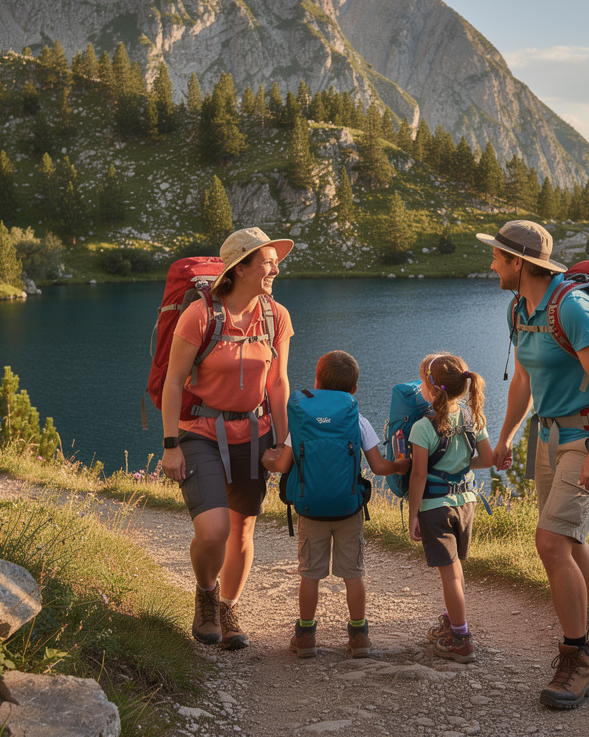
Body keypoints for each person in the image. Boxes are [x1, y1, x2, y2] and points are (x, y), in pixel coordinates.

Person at [477, 220, 589, 709]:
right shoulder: (520, 309)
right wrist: (504, 437)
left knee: (550, 541)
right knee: (567, 538)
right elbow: (523, 378)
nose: (492, 265)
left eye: (498, 258)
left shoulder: (573, 307)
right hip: (549, 435)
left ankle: (577, 660)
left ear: (520, 263)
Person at [160, 227, 293, 651]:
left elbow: (279, 384)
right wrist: (170, 444)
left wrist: (284, 443)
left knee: (242, 531)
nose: (276, 268)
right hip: (199, 432)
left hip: (254, 433)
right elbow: (174, 381)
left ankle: (229, 607)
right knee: (214, 530)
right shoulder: (199, 316)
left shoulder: (277, 316)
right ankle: (205, 593)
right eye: (268, 261)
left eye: (275, 261)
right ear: (240, 267)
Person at [262, 350, 409, 658]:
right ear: (354, 389)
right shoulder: (358, 419)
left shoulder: (302, 417)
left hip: (310, 509)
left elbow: (284, 463)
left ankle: (305, 636)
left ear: (317, 382)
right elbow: (379, 467)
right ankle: (359, 637)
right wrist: (400, 466)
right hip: (348, 508)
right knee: (353, 573)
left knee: (310, 574)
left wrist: (267, 459)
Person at [407, 352, 493, 664]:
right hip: (466, 503)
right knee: (455, 569)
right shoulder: (473, 418)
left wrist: (412, 514)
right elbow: (486, 459)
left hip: (435, 507)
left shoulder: (422, 428)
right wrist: (458, 466)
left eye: (422, 381)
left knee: (451, 574)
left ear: (431, 389)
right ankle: (451, 619)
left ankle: (461, 637)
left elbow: (418, 475)